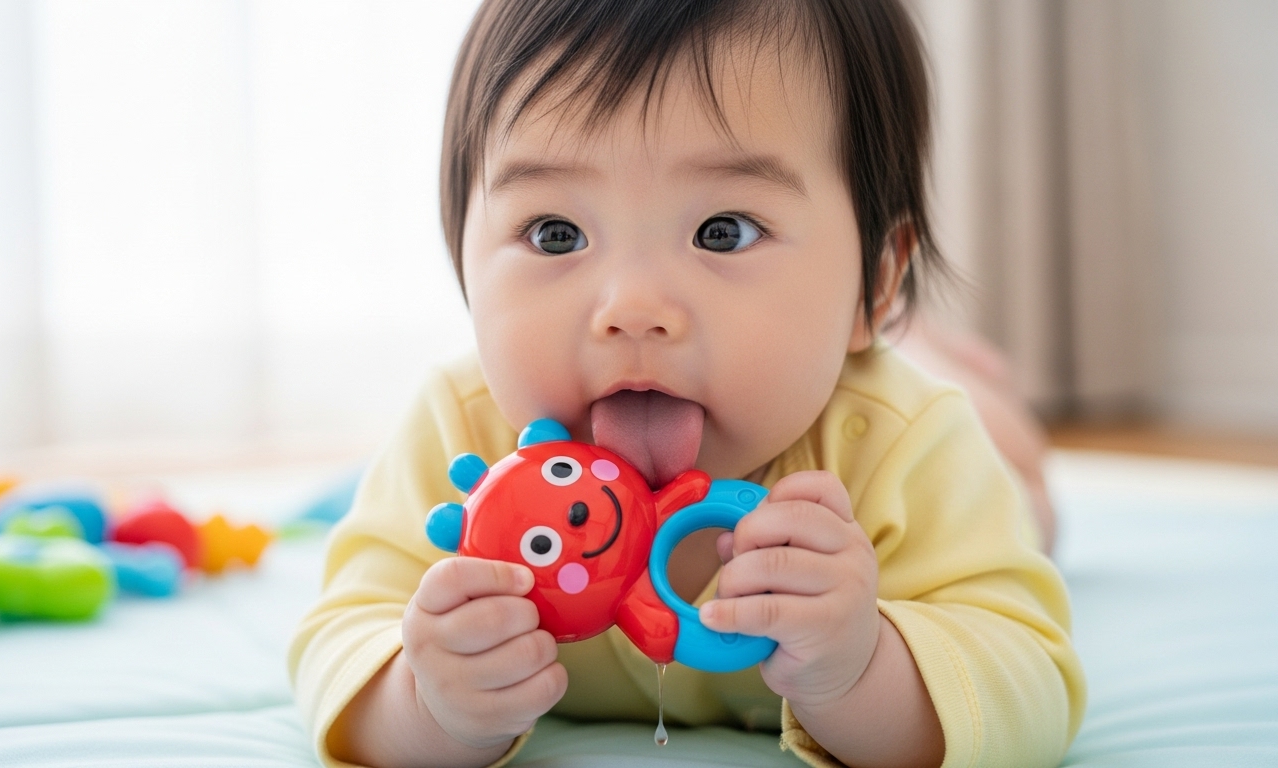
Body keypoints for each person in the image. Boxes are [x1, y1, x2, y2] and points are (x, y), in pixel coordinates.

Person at [289, 1, 1085, 766]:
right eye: (555, 234)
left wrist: (863, 671)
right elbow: (341, 639)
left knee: (1020, 495)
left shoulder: (904, 443)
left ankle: (964, 380)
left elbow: (1028, 685)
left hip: (920, 414)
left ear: (874, 280)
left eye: (723, 232)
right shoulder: (459, 435)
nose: (632, 309)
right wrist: (426, 705)